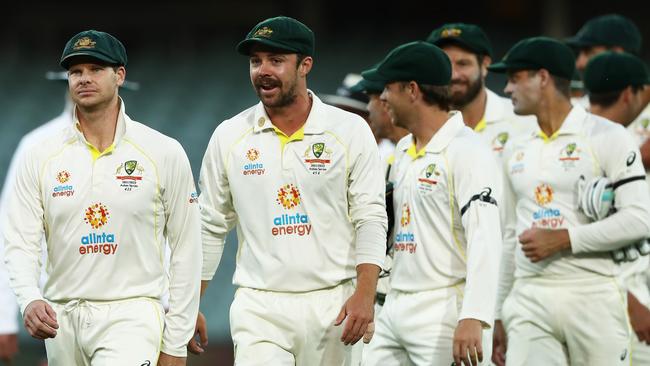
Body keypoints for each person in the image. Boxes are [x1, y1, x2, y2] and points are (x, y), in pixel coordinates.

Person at [2, 30, 201, 366]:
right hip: (61, 319)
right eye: (76, 72)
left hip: (132, 314)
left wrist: (176, 340)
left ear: (119, 75)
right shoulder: (39, 154)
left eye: (95, 69)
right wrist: (29, 299)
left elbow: (186, 248)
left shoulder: (163, 152)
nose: (84, 78)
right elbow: (19, 240)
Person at [197, 16, 387, 365]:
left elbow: (371, 217)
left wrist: (365, 293)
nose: (263, 70)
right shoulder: (229, 135)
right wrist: (190, 303)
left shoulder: (349, 131)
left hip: (335, 303)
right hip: (260, 305)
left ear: (305, 65)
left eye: (276, 60)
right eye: (256, 61)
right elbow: (210, 224)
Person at [489, 36, 650, 366]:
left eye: (515, 78)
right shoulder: (515, 148)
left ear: (543, 78)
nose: (507, 90)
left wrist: (564, 239)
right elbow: (508, 235)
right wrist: (498, 311)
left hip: (594, 292)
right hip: (529, 294)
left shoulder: (607, 136)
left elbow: (639, 218)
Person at [360, 41, 502, 366]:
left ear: (411, 90)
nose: (381, 97)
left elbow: (486, 238)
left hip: (444, 309)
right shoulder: (403, 151)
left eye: (387, 88)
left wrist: (474, 316)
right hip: (394, 305)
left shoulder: (469, 151)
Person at [583, 51, 650, 365]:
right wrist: (627, 300)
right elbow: (573, 238)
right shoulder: (594, 144)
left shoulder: (571, 134)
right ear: (629, 94)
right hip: (611, 300)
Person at [426, 23, 536, 158]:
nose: (453, 75)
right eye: (445, 65)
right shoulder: (420, 129)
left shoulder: (523, 122)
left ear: (485, 65)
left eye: (463, 64)